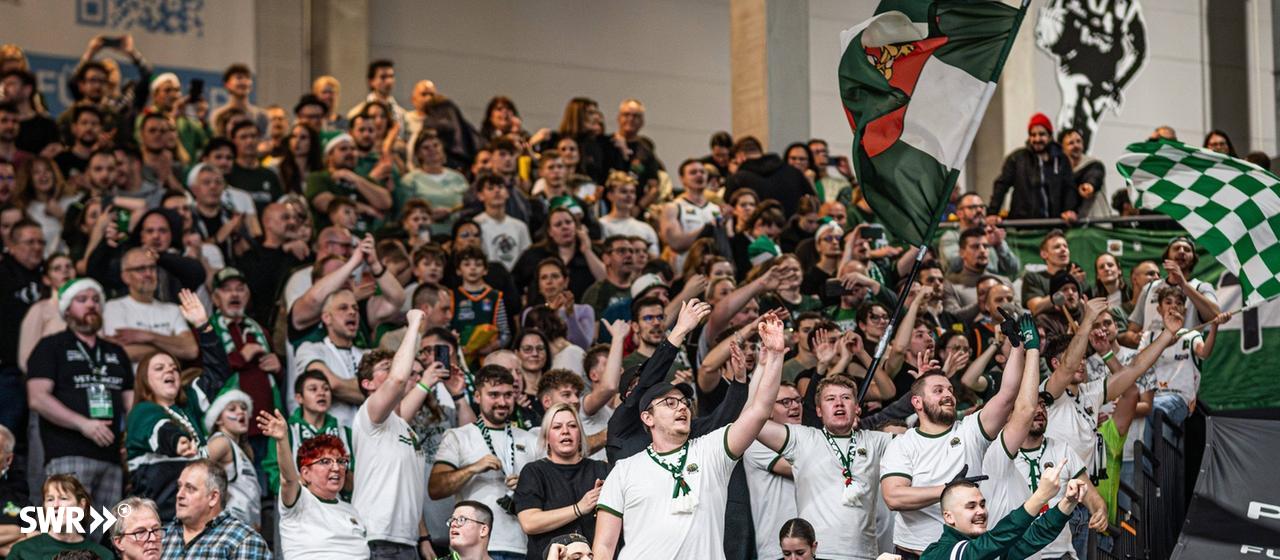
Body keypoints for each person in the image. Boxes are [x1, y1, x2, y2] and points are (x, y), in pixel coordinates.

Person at [591, 313, 785, 559]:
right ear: (647, 417)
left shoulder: (709, 449)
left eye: (683, 402)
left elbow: (757, 412)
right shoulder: (623, 467)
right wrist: (679, 331)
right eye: (670, 403)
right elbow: (604, 547)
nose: (682, 407)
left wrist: (774, 356)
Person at [880, 310, 1030, 558]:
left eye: (950, 389)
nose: (948, 395)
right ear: (917, 402)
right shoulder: (903, 444)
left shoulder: (970, 429)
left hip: (964, 552)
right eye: (938, 390)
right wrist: (950, 489)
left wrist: (1017, 347)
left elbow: (1006, 396)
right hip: (914, 552)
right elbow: (894, 496)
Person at [756, 373, 891, 560]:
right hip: (818, 553)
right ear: (819, 410)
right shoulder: (802, 439)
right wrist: (768, 365)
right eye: (830, 399)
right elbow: (754, 423)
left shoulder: (876, 442)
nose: (839, 403)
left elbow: (918, 443)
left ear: (857, 407)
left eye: (846, 398)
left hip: (864, 554)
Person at [124, 290, 232, 520]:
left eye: (173, 367)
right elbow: (160, 430)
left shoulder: (188, 405)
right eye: (160, 368)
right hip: (157, 520)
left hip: (191, 518)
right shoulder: (143, 411)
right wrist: (179, 443)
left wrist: (204, 326)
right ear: (145, 379)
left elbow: (217, 374)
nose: (170, 371)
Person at [26, 278, 132, 511]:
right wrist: (83, 424)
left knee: (104, 535)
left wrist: (130, 442)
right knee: (64, 530)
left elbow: (131, 403)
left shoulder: (116, 351)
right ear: (66, 309)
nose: (91, 305)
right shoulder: (51, 346)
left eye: (96, 299)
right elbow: (37, 397)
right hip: (68, 452)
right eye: (82, 300)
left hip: (111, 457)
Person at [351, 309, 441, 560]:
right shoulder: (370, 416)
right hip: (377, 538)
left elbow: (408, 487)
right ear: (367, 384)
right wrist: (414, 325)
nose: (394, 372)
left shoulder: (404, 427)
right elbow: (398, 380)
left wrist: (422, 537)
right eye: (385, 368)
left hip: (407, 541)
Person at [431, 365, 540, 560]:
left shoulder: (530, 439)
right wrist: (473, 468)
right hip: (473, 548)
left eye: (508, 395)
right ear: (477, 396)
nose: (502, 402)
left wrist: (527, 487)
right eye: (494, 395)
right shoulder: (459, 436)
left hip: (522, 545)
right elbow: (436, 488)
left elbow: (548, 490)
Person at [259, 409, 368, 559]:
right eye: (325, 462)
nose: (336, 468)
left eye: (341, 461)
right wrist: (282, 439)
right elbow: (288, 479)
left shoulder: (351, 511)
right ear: (305, 473)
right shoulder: (298, 501)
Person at [920, 462, 1083, 560]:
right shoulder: (938, 554)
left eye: (982, 504)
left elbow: (1034, 536)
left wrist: (1068, 502)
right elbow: (993, 542)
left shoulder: (986, 548)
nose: (981, 511)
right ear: (949, 517)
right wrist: (1040, 496)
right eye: (971, 506)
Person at [514, 403, 611, 556]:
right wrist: (579, 508)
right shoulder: (534, 471)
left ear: (580, 434)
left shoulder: (601, 469)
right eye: (557, 427)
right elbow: (529, 523)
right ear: (546, 436)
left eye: (572, 426)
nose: (565, 431)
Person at [101, 247, 199, 369]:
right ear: (125, 276)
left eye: (152, 267)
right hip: (132, 385)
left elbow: (191, 350)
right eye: (140, 269)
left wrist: (147, 336)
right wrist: (173, 350)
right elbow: (122, 352)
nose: (148, 274)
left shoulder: (172, 310)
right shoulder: (113, 307)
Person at [159, 458, 271, 559]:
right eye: (179, 487)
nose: (179, 494)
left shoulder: (243, 541)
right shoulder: (161, 536)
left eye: (190, 488)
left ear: (213, 497)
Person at [988, 113, 1077, 221]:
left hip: (1054, 225)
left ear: (1050, 136)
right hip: (1022, 225)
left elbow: (1069, 188)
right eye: (1033, 135)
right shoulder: (1016, 159)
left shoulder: (1061, 159)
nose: (1037, 139)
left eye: (1041, 134)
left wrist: (1070, 210)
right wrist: (992, 213)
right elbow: (1001, 186)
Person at [6, 474, 115, 560]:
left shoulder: (103, 555)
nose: (56, 505)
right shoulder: (23, 550)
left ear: (81, 505)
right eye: (50, 499)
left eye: (63, 498)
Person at [202, 389, 259, 529]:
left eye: (244, 408)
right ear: (218, 419)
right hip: (229, 526)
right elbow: (196, 468)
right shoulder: (221, 442)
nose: (241, 412)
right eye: (232, 409)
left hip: (245, 527)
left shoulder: (242, 449)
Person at [724, 136, 816, 217]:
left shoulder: (737, 179)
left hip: (757, 234)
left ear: (741, 156)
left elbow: (728, 210)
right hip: (792, 233)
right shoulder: (794, 172)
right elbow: (812, 202)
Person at [472, 171, 532, 273]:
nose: (496, 191)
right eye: (490, 188)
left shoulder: (520, 226)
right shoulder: (475, 225)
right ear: (480, 195)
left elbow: (527, 259)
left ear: (507, 193)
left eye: (500, 187)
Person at [209, 64, 268, 137]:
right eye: (239, 78)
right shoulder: (218, 115)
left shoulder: (261, 115)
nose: (244, 82)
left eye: (247, 78)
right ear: (227, 84)